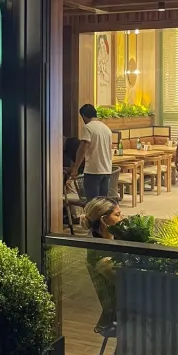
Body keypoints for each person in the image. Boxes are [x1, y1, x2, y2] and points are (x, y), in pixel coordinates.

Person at [82, 197, 122, 333]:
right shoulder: (102, 256)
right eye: (117, 215)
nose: (122, 219)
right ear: (104, 220)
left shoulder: (105, 241)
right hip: (120, 315)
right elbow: (129, 284)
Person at [67, 104, 113, 201]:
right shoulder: (106, 128)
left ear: (83, 116)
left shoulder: (88, 128)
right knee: (102, 203)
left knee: (92, 203)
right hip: (107, 170)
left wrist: (75, 168)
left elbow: (83, 149)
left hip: (93, 170)